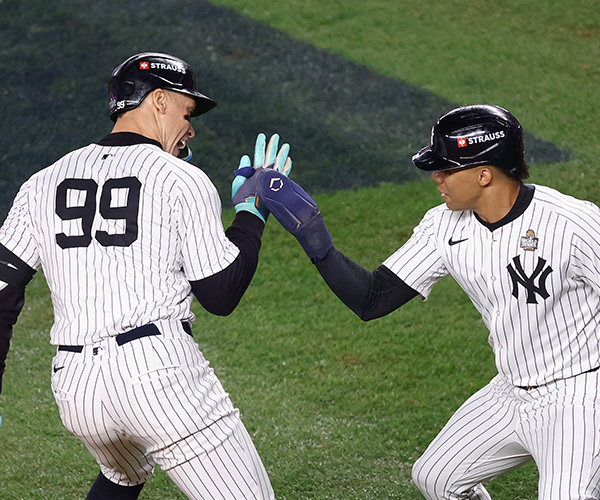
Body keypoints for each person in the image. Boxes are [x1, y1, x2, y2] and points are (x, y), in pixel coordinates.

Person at [254, 104, 600, 499]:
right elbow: (373, 298)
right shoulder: (443, 226)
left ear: (484, 174)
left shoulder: (574, 224)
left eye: (447, 169)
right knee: (437, 479)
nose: (436, 177)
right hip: (509, 392)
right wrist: (313, 234)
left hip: (579, 396)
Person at [0, 52, 291, 500]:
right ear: (157, 100)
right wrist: (252, 213)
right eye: (186, 111)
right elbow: (221, 294)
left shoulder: (41, 183)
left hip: (77, 390)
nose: (191, 128)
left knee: (124, 473)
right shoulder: (183, 180)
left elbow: (2, 292)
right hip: (158, 380)